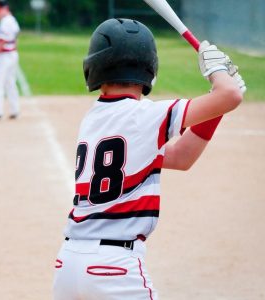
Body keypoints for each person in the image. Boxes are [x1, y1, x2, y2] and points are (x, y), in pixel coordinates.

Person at [53, 18, 245, 300]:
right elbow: (229, 95)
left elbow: (181, 157)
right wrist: (217, 70)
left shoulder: (94, 119)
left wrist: (218, 103)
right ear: (149, 69)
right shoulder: (146, 116)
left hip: (67, 265)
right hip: (114, 270)